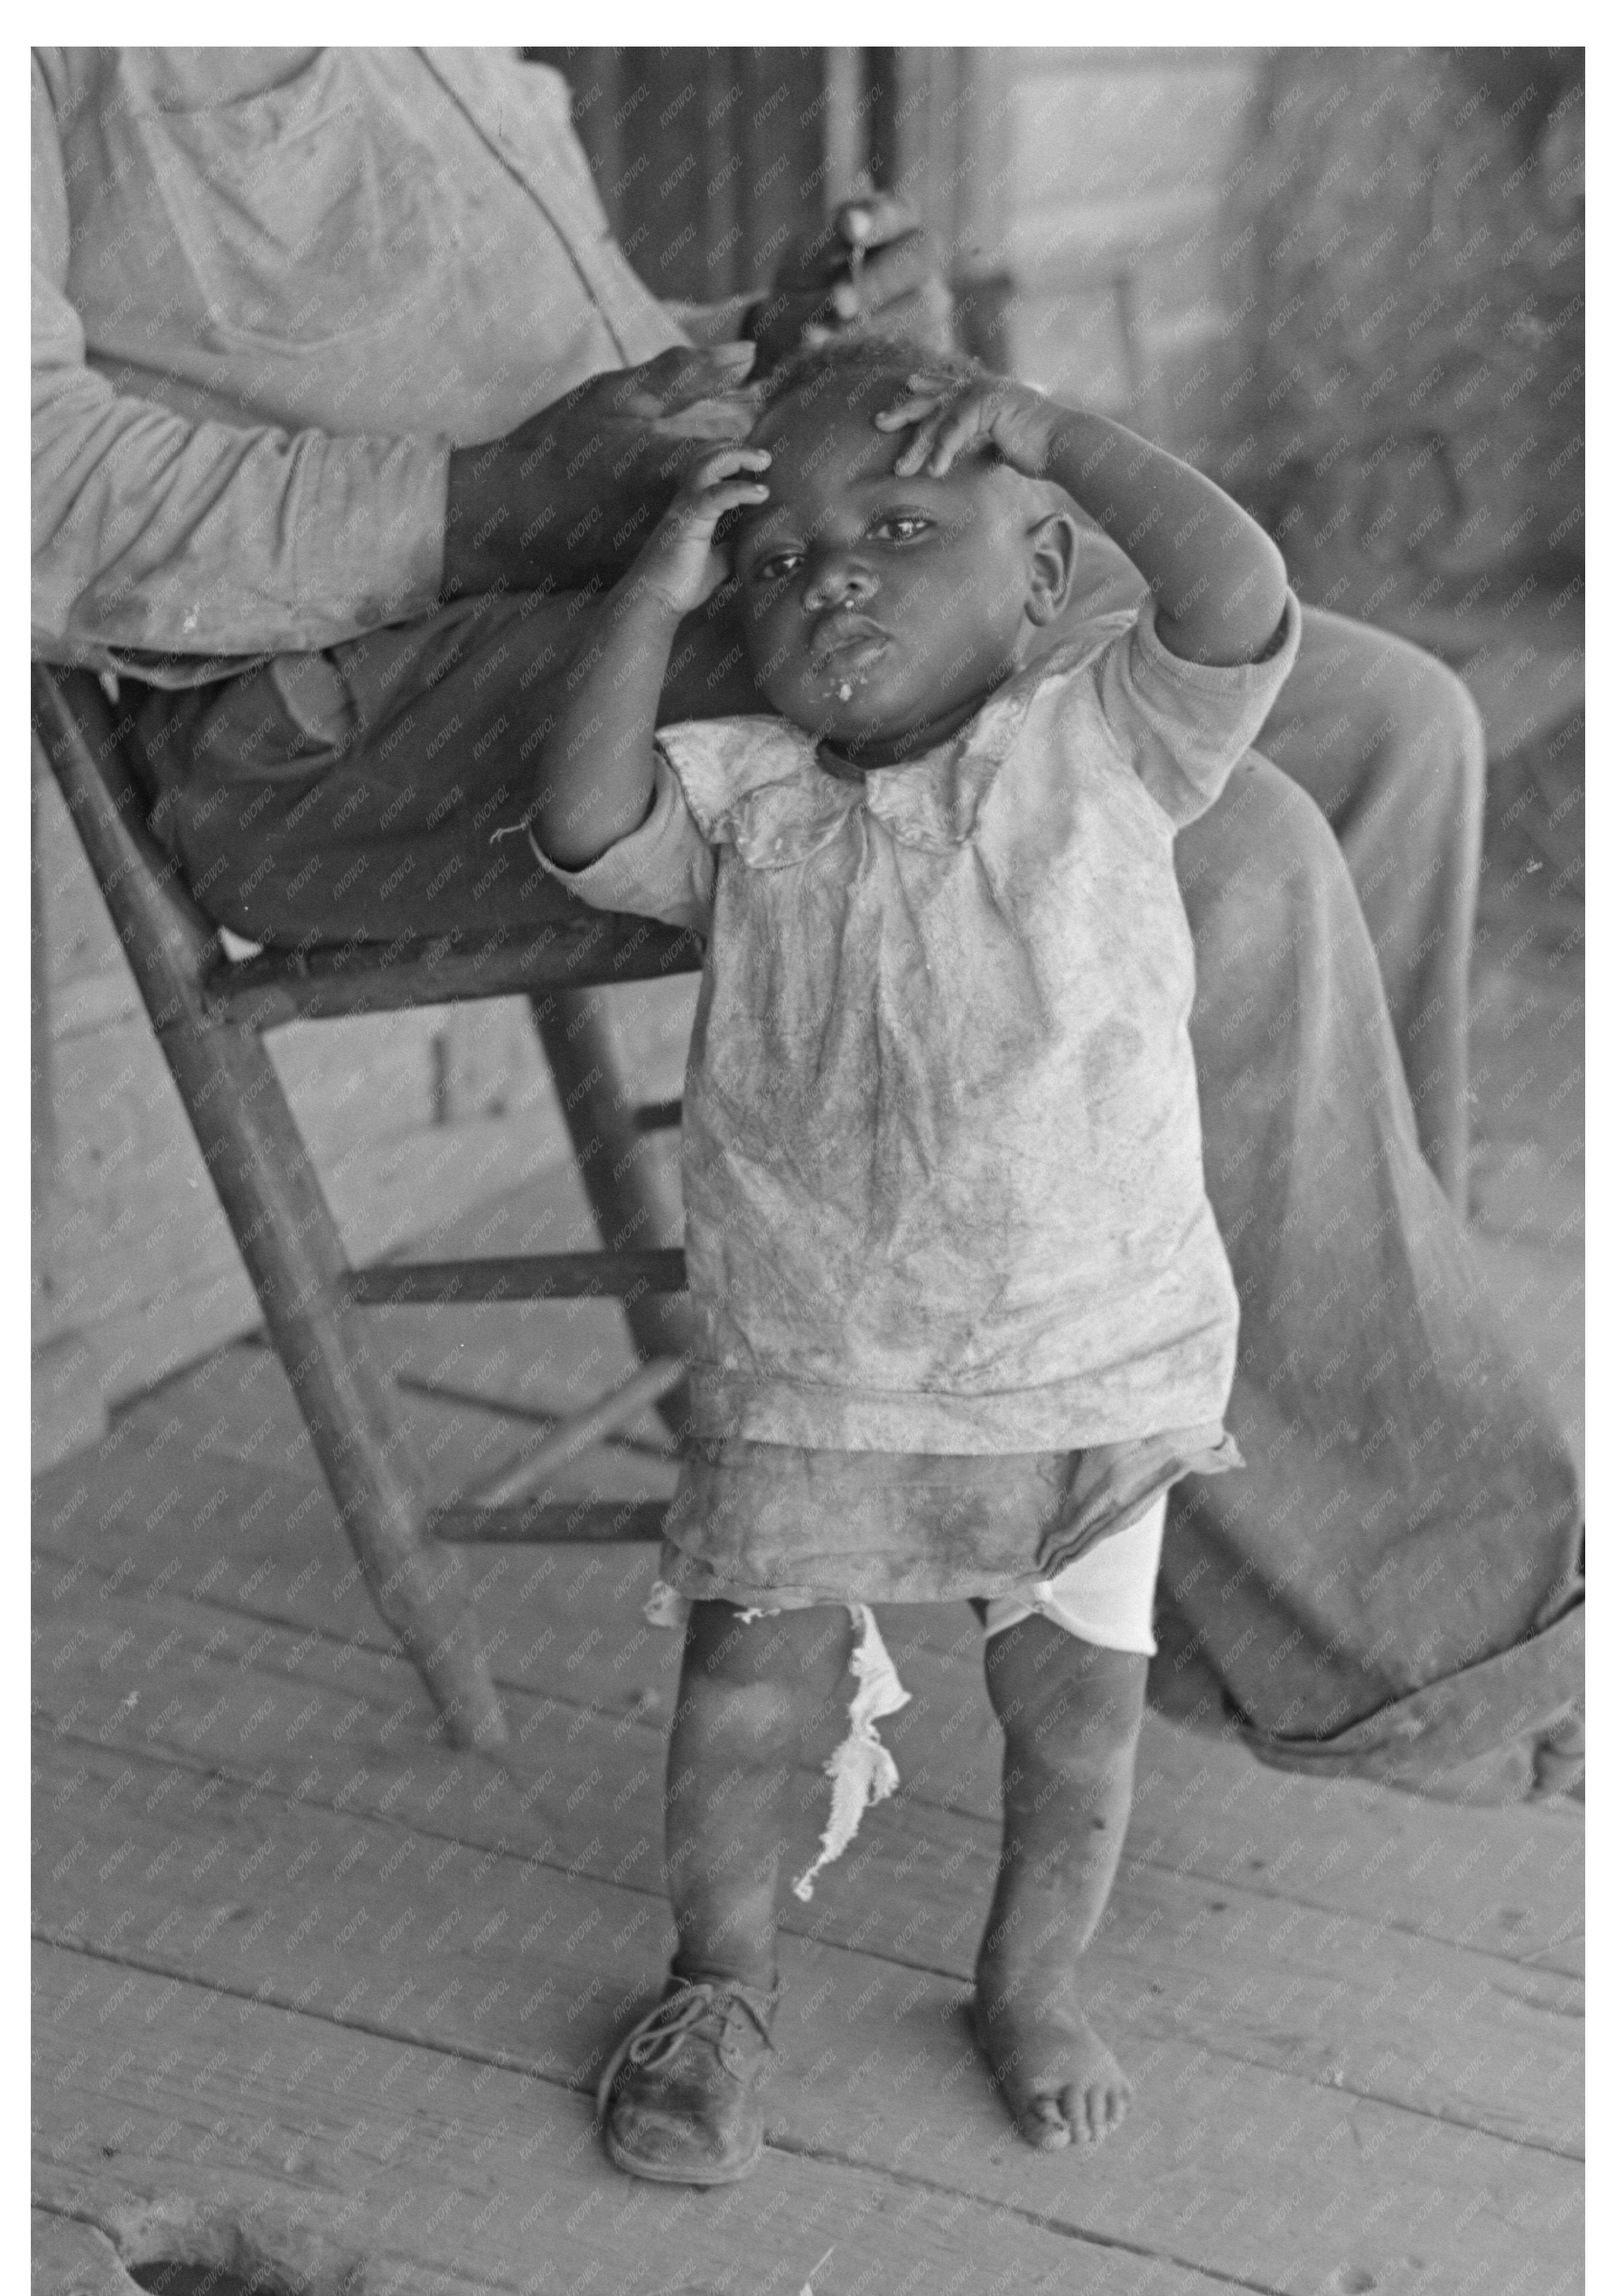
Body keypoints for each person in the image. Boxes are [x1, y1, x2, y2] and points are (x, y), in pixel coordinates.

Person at [32, 48, 1581, 1809]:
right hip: (340, 698)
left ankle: (1268, 1547)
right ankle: (1423, 1634)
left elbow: (502, 349)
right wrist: (481, 499)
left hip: (603, 557)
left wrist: (762, 338)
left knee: (1383, 723)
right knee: (1213, 852)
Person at [529, 338, 1303, 2173]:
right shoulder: (740, 797)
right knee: (742, 1694)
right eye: (780, 560)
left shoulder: (1111, 736)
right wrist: (655, 591)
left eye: (895, 522)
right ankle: (715, 1986)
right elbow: (576, 818)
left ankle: (1027, 1979)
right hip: (818, 1369)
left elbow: (1238, 595)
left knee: (1074, 1721)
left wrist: (1055, 437)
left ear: (1039, 576)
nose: (834, 574)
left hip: (1087, 1357)